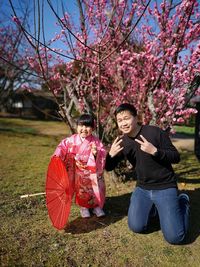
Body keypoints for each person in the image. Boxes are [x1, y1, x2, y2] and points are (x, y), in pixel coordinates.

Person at [105, 103, 190, 244]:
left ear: (136, 117)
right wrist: (111, 155)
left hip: (165, 186)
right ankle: (157, 209)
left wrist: (155, 151)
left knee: (175, 238)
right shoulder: (122, 142)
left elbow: (176, 157)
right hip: (143, 188)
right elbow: (108, 167)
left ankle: (183, 202)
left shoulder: (155, 132)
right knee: (136, 226)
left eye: (126, 118)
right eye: (119, 120)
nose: (123, 123)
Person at [53, 113, 107, 218]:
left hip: (93, 171)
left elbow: (103, 152)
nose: (84, 129)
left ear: (92, 128)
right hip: (78, 171)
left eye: (87, 126)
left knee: (95, 189)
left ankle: (96, 207)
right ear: (77, 126)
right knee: (81, 190)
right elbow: (61, 148)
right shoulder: (71, 140)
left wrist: (96, 154)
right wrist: (57, 156)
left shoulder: (96, 141)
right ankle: (84, 207)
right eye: (81, 125)